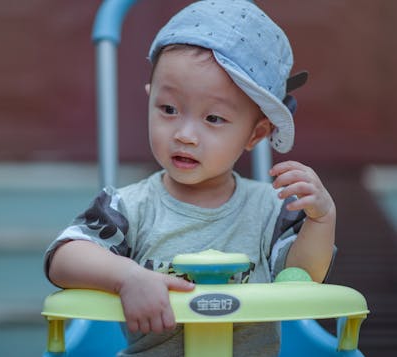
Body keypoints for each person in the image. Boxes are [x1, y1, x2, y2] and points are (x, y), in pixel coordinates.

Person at [44, 0, 336, 355]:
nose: (184, 134)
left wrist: (321, 219)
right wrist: (126, 277)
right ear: (150, 101)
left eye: (213, 119)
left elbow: (303, 276)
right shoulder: (128, 207)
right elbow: (63, 257)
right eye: (168, 110)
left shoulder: (271, 209)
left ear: (255, 135)